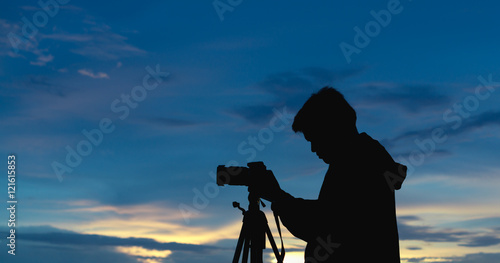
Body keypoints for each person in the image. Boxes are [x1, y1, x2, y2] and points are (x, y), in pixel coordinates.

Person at [253, 87, 407, 262]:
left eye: (314, 138)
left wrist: (278, 197)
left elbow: (324, 226)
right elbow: (332, 212)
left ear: (331, 128)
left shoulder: (355, 165)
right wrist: (281, 198)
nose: (313, 149)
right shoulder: (364, 159)